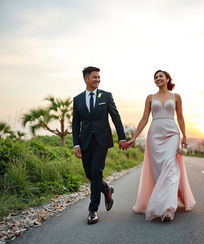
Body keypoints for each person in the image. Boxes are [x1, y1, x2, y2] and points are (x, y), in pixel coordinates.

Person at [128, 70, 196, 221]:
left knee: (170, 167)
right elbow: (144, 118)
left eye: (160, 76)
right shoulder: (150, 98)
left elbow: (180, 117)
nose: (158, 78)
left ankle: (168, 209)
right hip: (155, 135)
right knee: (159, 170)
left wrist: (184, 136)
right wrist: (134, 137)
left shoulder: (176, 97)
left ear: (167, 79)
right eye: (155, 77)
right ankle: (164, 200)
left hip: (172, 133)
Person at [72, 66, 128, 225]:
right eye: (94, 77)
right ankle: (106, 190)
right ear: (86, 78)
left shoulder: (106, 96)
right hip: (85, 142)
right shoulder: (78, 99)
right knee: (90, 174)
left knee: (96, 171)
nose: (97, 80)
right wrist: (76, 144)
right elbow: (75, 124)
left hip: (102, 141)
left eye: (98, 77)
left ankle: (92, 210)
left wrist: (122, 138)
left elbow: (116, 118)